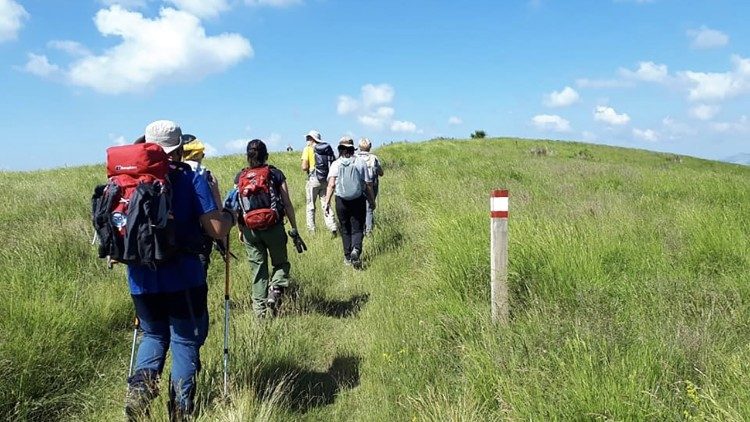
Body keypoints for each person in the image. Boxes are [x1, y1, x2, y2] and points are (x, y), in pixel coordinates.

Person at [124, 120, 235, 421]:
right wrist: (228, 215)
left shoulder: (129, 177)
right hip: (183, 276)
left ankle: (140, 393)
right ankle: (181, 410)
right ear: (180, 148)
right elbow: (215, 229)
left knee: (153, 335)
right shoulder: (192, 175)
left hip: (140, 279)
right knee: (185, 339)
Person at [231, 139, 302, 317]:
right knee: (281, 263)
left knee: (258, 271)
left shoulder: (239, 178)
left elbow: (237, 205)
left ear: (247, 157)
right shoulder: (275, 174)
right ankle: (276, 288)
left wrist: (240, 229)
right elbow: (287, 203)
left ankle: (260, 314)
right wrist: (294, 227)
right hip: (274, 227)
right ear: (266, 156)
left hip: (250, 231)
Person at [324, 137, 376, 268]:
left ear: (340, 149)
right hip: (358, 199)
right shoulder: (360, 163)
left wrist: (327, 202)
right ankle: (356, 250)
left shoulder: (336, 164)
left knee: (345, 229)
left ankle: (347, 258)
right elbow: (368, 184)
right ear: (353, 149)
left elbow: (331, 185)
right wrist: (371, 200)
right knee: (357, 227)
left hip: (341, 201)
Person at [300, 130, 338, 235]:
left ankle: (311, 231)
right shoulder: (325, 149)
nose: (306, 140)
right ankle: (332, 226)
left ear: (312, 139)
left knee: (310, 205)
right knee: (326, 203)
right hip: (325, 179)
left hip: (313, 179)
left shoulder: (307, 149)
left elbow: (304, 167)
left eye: (308, 138)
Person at [355, 138, 384, 235]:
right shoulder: (374, 158)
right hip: (372, 185)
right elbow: (381, 173)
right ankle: (368, 231)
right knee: (370, 207)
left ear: (359, 147)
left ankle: (360, 228)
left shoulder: (355, 157)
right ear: (370, 146)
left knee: (358, 207)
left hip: (357, 186)